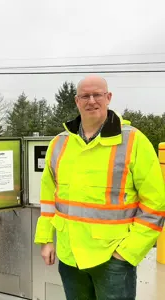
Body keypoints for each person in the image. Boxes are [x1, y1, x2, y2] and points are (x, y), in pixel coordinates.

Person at [34, 75, 165, 300]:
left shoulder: (134, 141)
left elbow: (155, 203)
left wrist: (127, 252)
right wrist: (46, 239)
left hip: (112, 259)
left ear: (108, 97)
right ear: (77, 101)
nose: (91, 100)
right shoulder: (59, 143)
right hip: (69, 256)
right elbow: (48, 197)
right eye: (85, 96)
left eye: (98, 95)